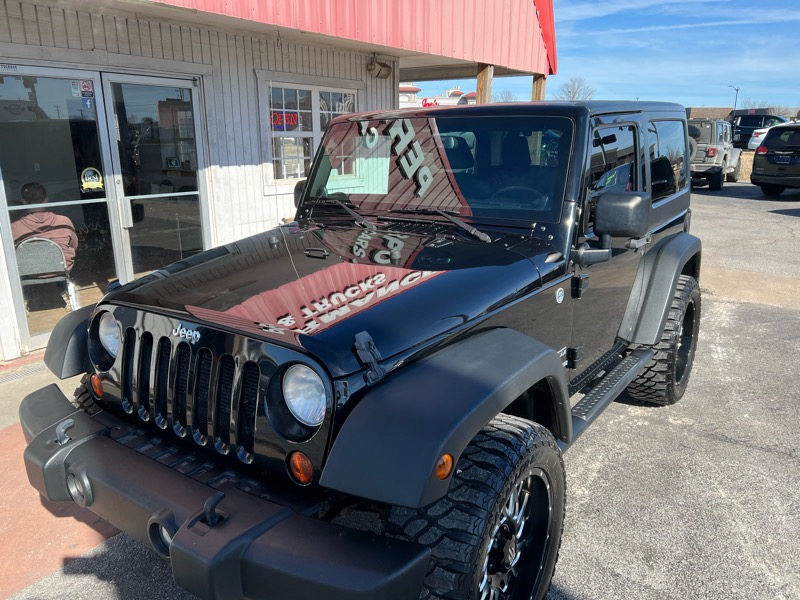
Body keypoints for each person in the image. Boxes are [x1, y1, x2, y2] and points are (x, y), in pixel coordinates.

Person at [11, 182, 78, 272]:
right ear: (46, 200)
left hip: (30, 273)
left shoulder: (13, 227)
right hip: (62, 270)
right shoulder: (64, 221)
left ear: (23, 201)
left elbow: (9, 254)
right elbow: (74, 245)